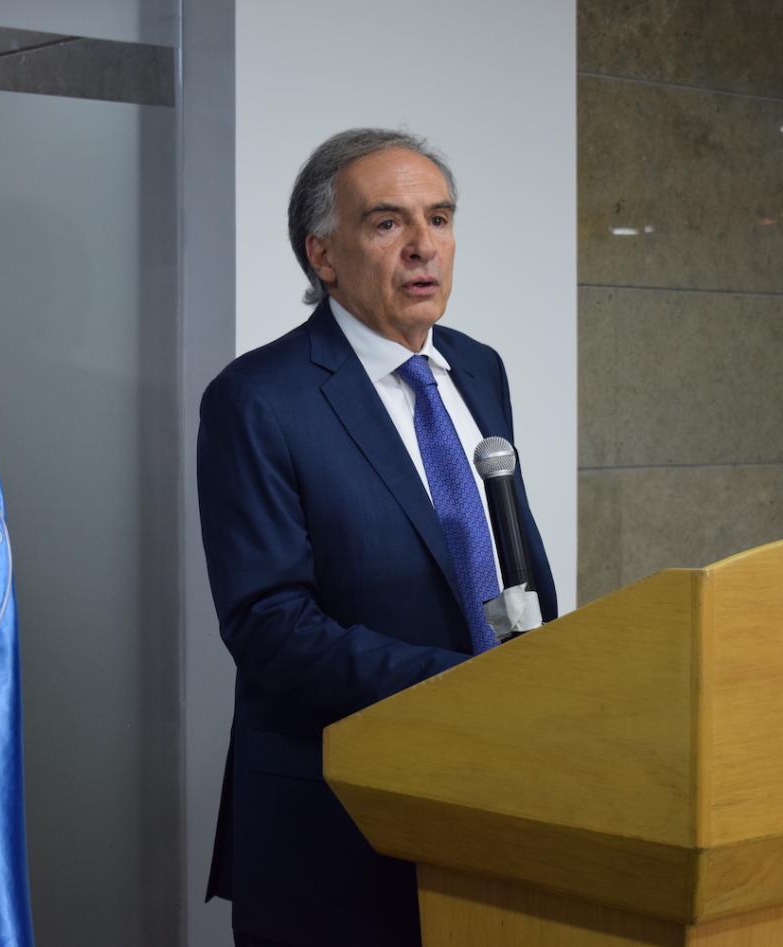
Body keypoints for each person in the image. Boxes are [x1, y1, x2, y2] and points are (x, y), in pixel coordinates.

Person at [198, 128, 558, 947]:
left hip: (492, 797)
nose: (424, 245)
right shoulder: (258, 398)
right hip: (337, 828)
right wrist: (466, 686)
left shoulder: (479, 366)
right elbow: (269, 626)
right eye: (388, 222)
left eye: (440, 218)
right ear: (322, 254)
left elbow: (507, 564)